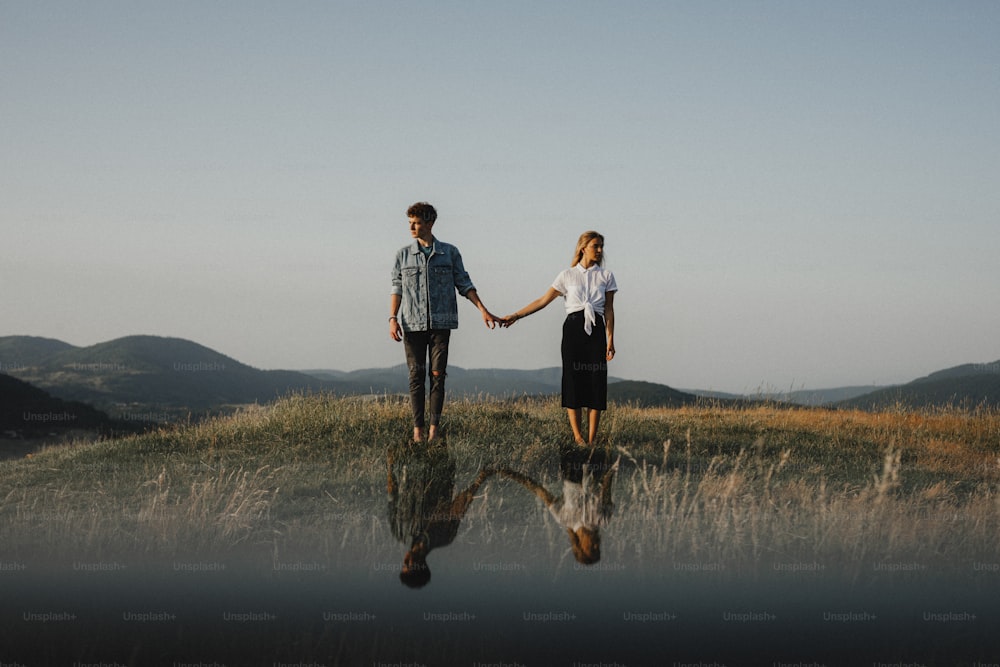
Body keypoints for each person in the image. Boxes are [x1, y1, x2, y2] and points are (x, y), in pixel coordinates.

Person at [390, 202, 505, 443]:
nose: (412, 226)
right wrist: (392, 318)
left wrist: (483, 309)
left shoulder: (450, 253)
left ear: (429, 224)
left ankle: (434, 430)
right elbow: (397, 288)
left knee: (437, 375)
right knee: (415, 376)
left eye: (417, 222)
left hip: (441, 324)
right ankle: (417, 432)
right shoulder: (402, 255)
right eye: (409, 222)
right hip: (412, 324)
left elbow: (464, 283)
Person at [503, 231, 617, 445]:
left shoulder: (606, 276)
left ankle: (592, 440)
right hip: (573, 329)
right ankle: (578, 437)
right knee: (573, 380)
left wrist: (610, 340)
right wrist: (516, 315)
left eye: (601, 246)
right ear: (583, 248)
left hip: (597, 329)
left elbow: (609, 310)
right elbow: (542, 300)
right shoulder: (567, 275)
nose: (600, 250)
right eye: (596, 246)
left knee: (596, 382)